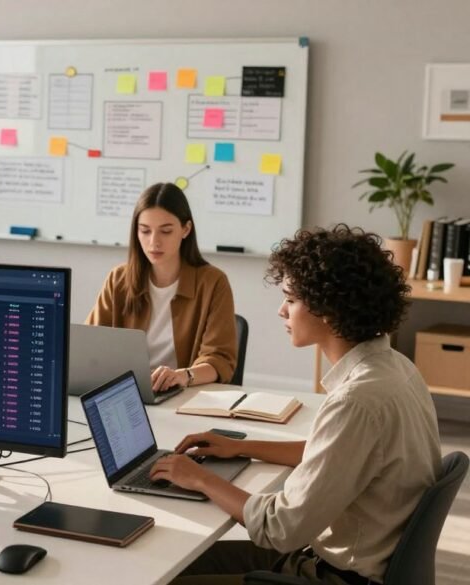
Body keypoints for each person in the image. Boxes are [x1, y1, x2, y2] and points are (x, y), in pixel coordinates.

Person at [152, 225, 442, 585]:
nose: (281, 311)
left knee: (161, 578)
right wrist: (242, 447)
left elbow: (280, 528)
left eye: (290, 299)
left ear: (327, 310)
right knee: (173, 562)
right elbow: (334, 455)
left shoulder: (357, 401)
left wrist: (199, 478)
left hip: (333, 576)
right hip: (349, 561)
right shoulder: (397, 369)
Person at [86, 182, 237, 393]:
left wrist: (182, 375)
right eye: (145, 231)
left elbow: (220, 361)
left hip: (183, 395)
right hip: (125, 394)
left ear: (186, 229)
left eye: (166, 231)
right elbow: (90, 345)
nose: (153, 242)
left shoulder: (213, 283)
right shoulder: (118, 279)